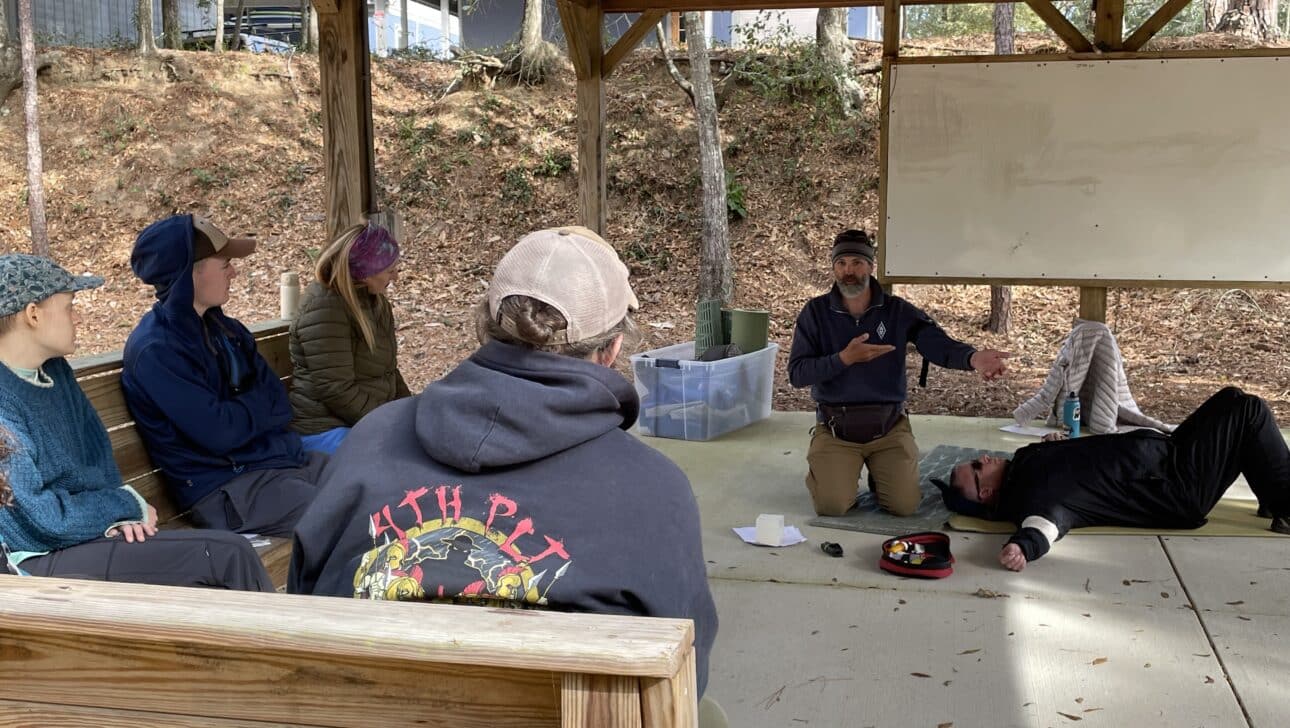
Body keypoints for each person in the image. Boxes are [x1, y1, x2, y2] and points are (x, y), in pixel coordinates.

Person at [289, 226, 719, 698]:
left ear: (485, 324)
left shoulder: (366, 445)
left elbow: (304, 602)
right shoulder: (655, 492)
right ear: (613, 349)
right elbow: (684, 680)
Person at [0, 254, 273, 590]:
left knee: (218, 562)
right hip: (29, 563)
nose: (79, 317)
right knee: (226, 556)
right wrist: (121, 507)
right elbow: (37, 520)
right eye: (70, 306)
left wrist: (119, 517)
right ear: (33, 315)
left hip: (79, 533)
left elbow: (97, 458)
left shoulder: (55, 371)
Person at [123, 215, 324, 537]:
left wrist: (242, 412)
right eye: (225, 263)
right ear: (190, 273)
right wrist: (255, 408)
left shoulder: (226, 330)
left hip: (275, 464)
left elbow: (279, 402)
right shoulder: (156, 351)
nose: (234, 272)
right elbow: (221, 433)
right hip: (227, 491)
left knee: (374, 483)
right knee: (347, 516)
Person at [940, 387, 1290, 572]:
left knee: (1232, 398)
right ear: (985, 492)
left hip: (1166, 454)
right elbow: (1043, 527)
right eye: (976, 466)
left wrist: (1053, 446)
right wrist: (1022, 549)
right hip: (1175, 487)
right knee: (1249, 411)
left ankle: (1275, 496)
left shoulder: (1022, 464)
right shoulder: (1035, 498)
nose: (983, 457)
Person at [788, 229, 1011, 517]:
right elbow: (797, 373)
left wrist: (972, 358)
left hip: (888, 428)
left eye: (857, 263)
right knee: (832, 506)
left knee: (903, 507)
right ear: (833, 267)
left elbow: (935, 343)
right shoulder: (815, 313)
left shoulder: (896, 311)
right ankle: (834, 470)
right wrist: (844, 358)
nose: (848, 272)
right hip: (836, 429)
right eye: (841, 264)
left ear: (870, 266)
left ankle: (881, 473)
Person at [288, 221, 411, 454]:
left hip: (360, 421)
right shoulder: (324, 308)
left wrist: (410, 411)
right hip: (324, 428)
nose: (395, 276)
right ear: (365, 273)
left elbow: (389, 372)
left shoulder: (374, 301)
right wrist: (386, 423)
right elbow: (336, 389)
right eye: (389, 270)